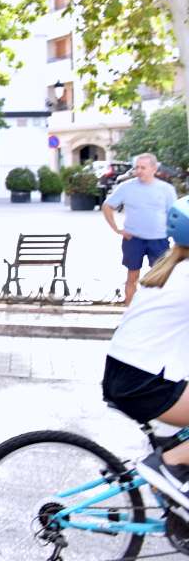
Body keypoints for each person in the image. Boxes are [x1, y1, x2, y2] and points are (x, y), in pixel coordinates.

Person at [104, 196, 189, 508]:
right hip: (146, 384)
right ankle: (169, 465)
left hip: (130, 376)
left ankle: (174, 472)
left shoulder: (172, 268)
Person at [103, 153, 177, 305]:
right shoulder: (126, 187)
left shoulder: (166, 189)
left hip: (159, 240)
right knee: (132, 278)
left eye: (143, 167)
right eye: (137, 167)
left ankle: (155, 315)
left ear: (154, 168)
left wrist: (173, 235)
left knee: (159, 279)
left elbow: (174, 214)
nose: (139, 171)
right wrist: (117, 229)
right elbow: (107, 206)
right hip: (133, 239)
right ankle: (129, 315)